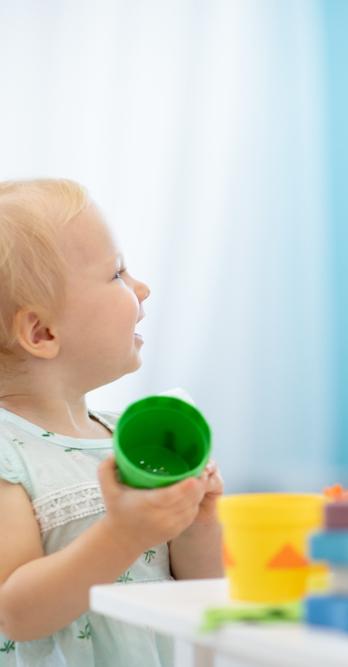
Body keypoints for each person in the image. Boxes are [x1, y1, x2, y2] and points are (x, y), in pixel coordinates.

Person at [0, 180, 223, 666]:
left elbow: (204, 588)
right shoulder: (8, 453)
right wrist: (124, 536)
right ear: (42, 331)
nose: (142, 287)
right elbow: (15, 612)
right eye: (118, 273)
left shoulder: (126, 435)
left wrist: (196, 524)